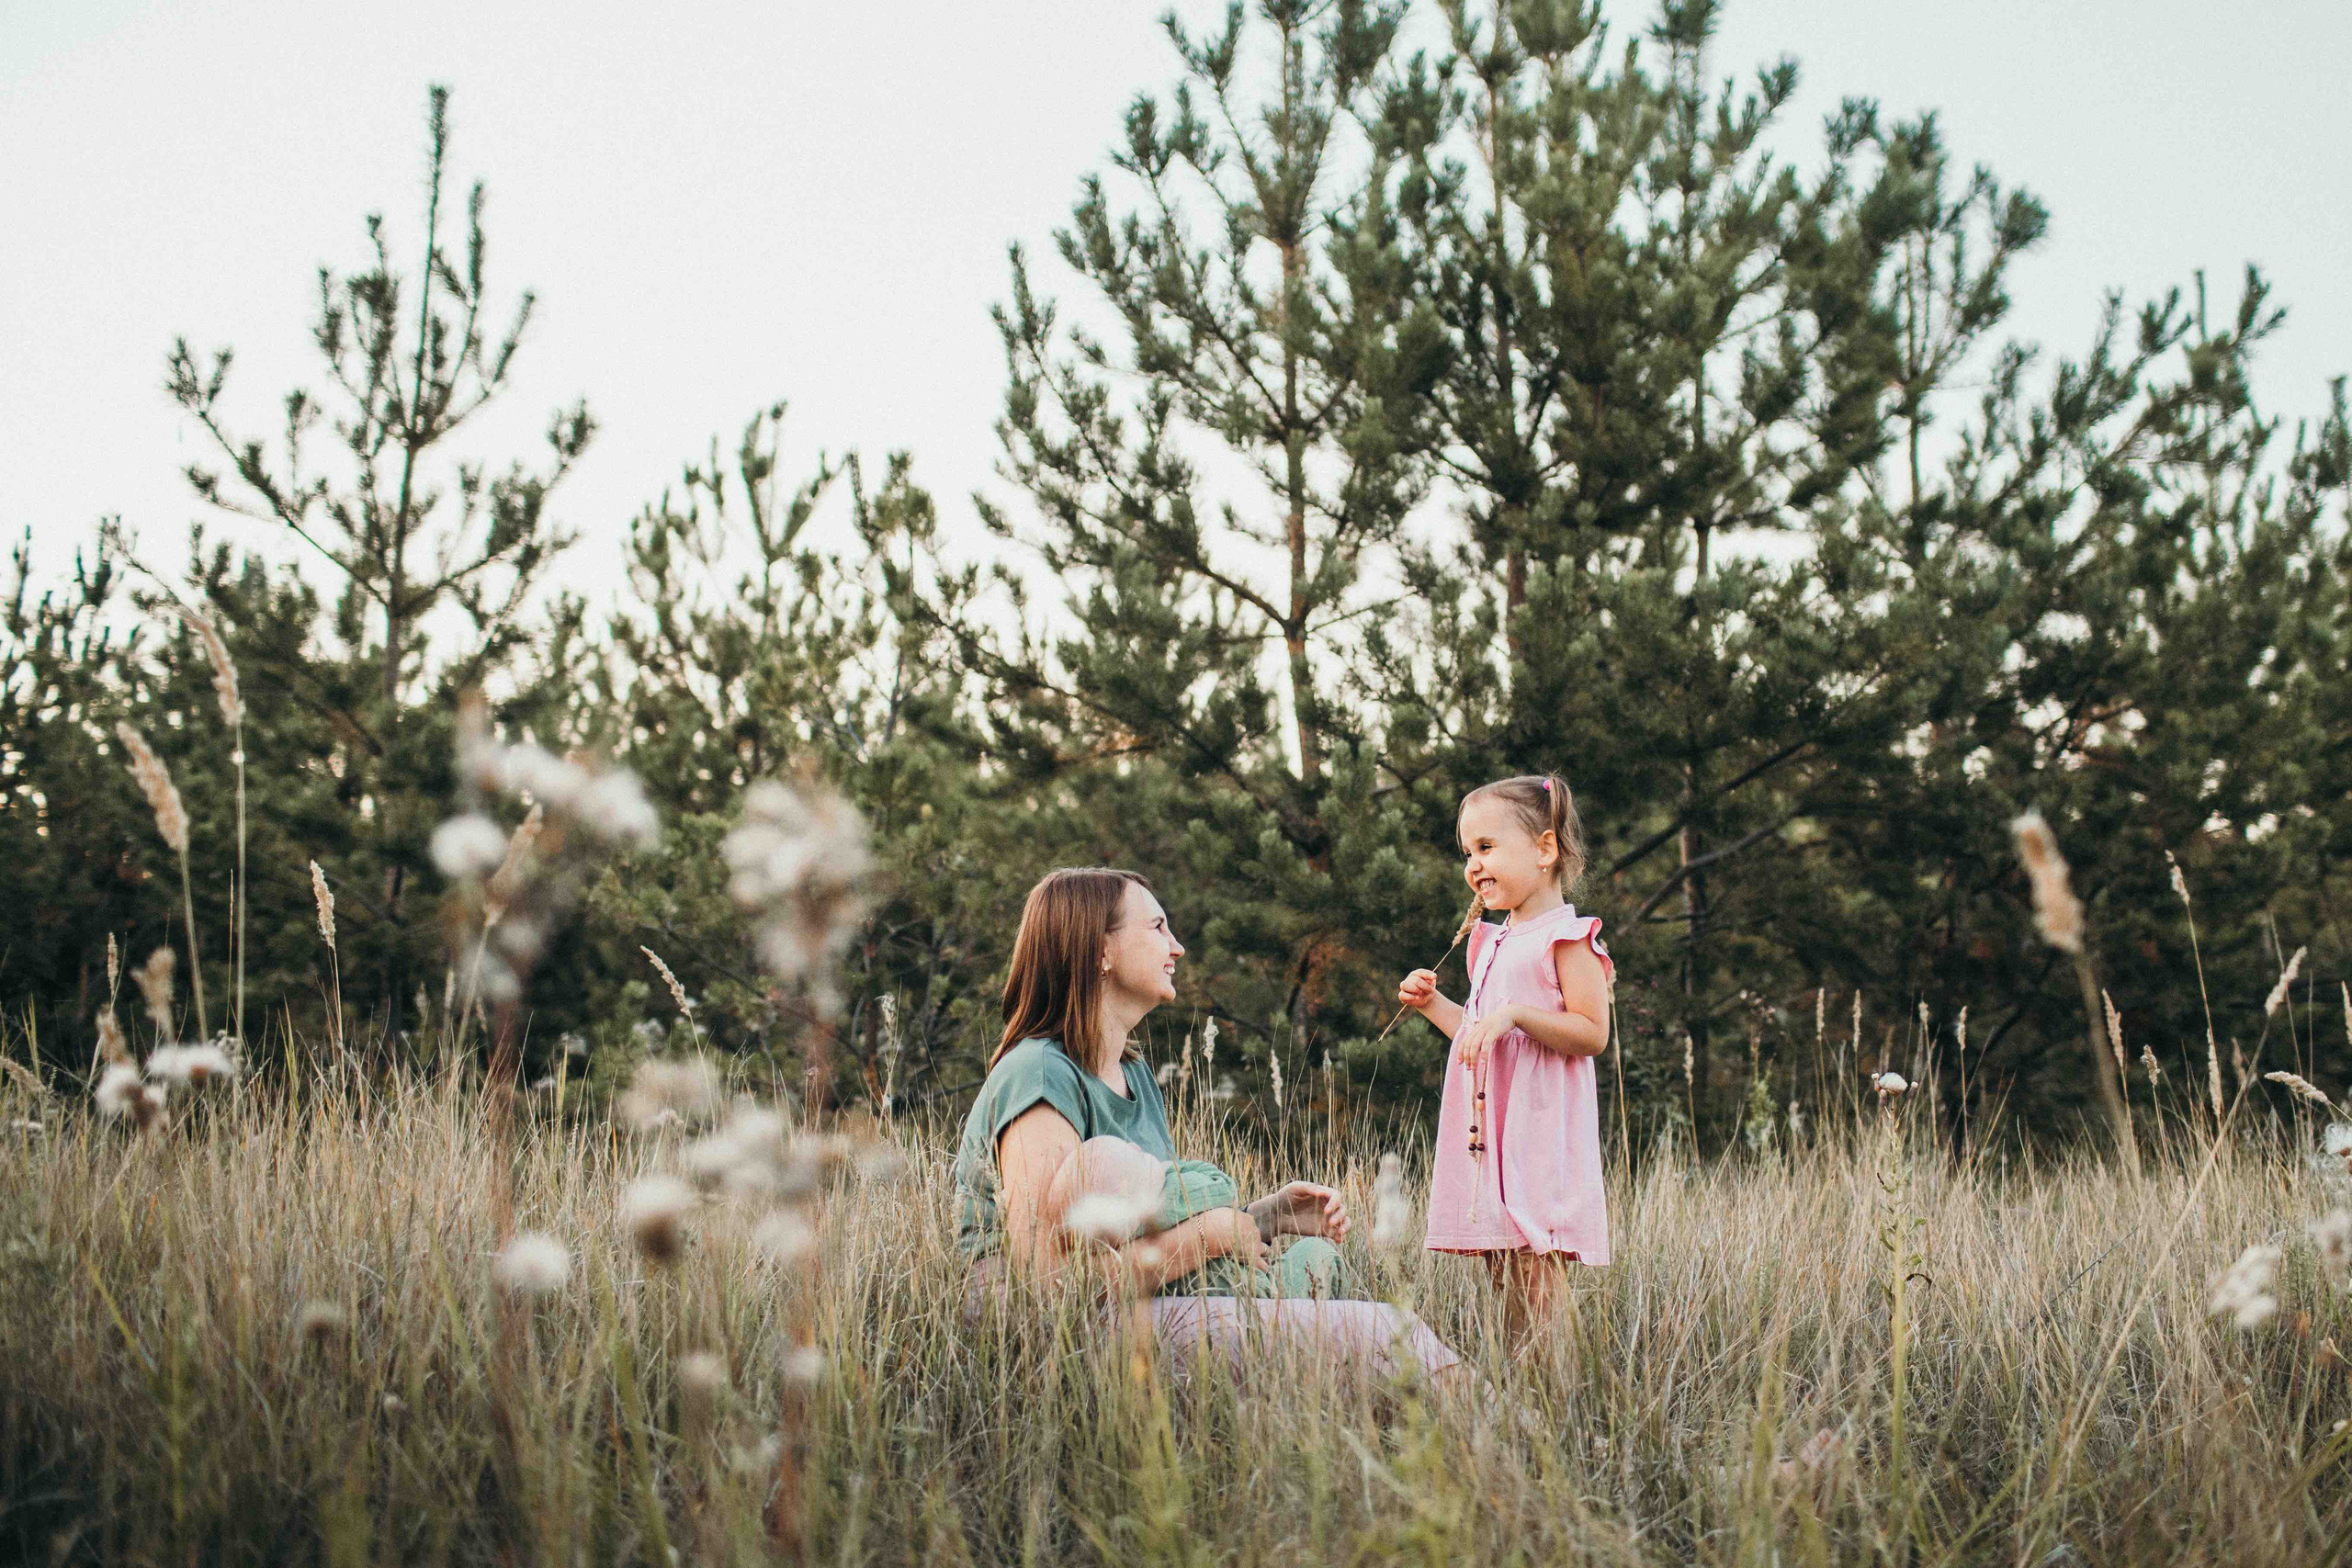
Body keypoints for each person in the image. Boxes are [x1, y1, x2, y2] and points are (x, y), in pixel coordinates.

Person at [955, 866, 1457, 1377]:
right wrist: (1208, 1238)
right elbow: (1044, 1286)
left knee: (1354, 1317)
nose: (1177, 948)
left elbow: (1147, 1227)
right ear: (1100, 951)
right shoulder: (1039, 1072)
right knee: (1387, 1334)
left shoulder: (1133, 1073)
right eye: (1157, 928)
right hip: (1055, 1341)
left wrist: (1265, 1218)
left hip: (1135, 1313)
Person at [1396, 773, 1613, 1349]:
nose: (1474, 865)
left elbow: (1592, 1033)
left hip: (1537, 1130)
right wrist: (1432, 1005)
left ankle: (1557, 1387)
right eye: (1467, 852)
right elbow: (1477, 1036)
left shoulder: (1568, 938)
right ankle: (1520, 1383)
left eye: (1487, 847)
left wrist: (1516, 1014)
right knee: (1503, 1264)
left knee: (1536, 1267)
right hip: (1490, 1130)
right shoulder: (1489, 940)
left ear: (1545, 849)